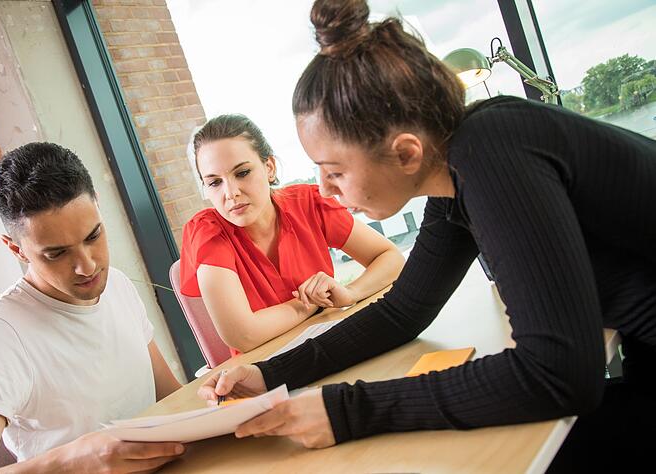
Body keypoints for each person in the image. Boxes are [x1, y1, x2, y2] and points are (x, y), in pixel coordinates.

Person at [198, 0, 656, 469]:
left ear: (406, 154)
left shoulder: (492, 155)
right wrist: (269, 374)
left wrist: (345, 410)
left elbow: (558, 373)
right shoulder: (457, 172)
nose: (323, 188)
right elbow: (403, 310)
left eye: (334, 170)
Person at [0, 143, 185, 472]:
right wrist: (74, 460)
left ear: (98, 206)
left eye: (93, 235)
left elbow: (171, 397)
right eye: (56, 254)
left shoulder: (116, 284)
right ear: (16, 249)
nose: (87, 267)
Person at [179, 114, 404, 354]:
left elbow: (391, 258)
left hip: (334, 345)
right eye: (214, 183)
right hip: (267, 370)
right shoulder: (207, 232)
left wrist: (350, 292)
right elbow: (243, 335)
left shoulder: (308, 203)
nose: (230, 193)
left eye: (242, 173)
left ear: (269, 167)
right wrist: (309, 304)